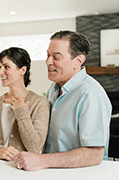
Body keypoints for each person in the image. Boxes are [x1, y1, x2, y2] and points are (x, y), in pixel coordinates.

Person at [12, 30, 112, 171]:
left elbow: (94, 154)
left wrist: (41, 160)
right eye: (48, 55)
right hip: (52, 171)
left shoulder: (91, 94)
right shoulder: (53, 89)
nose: (48, 62)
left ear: (78, 61)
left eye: (56, 57)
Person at [0, 47, 50, 161]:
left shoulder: (40, 103)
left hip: (20, 172)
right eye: (0, 67)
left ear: (22, 70)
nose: (0, 72)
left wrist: (21, 111)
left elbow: (35, 147)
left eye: (6, 67)